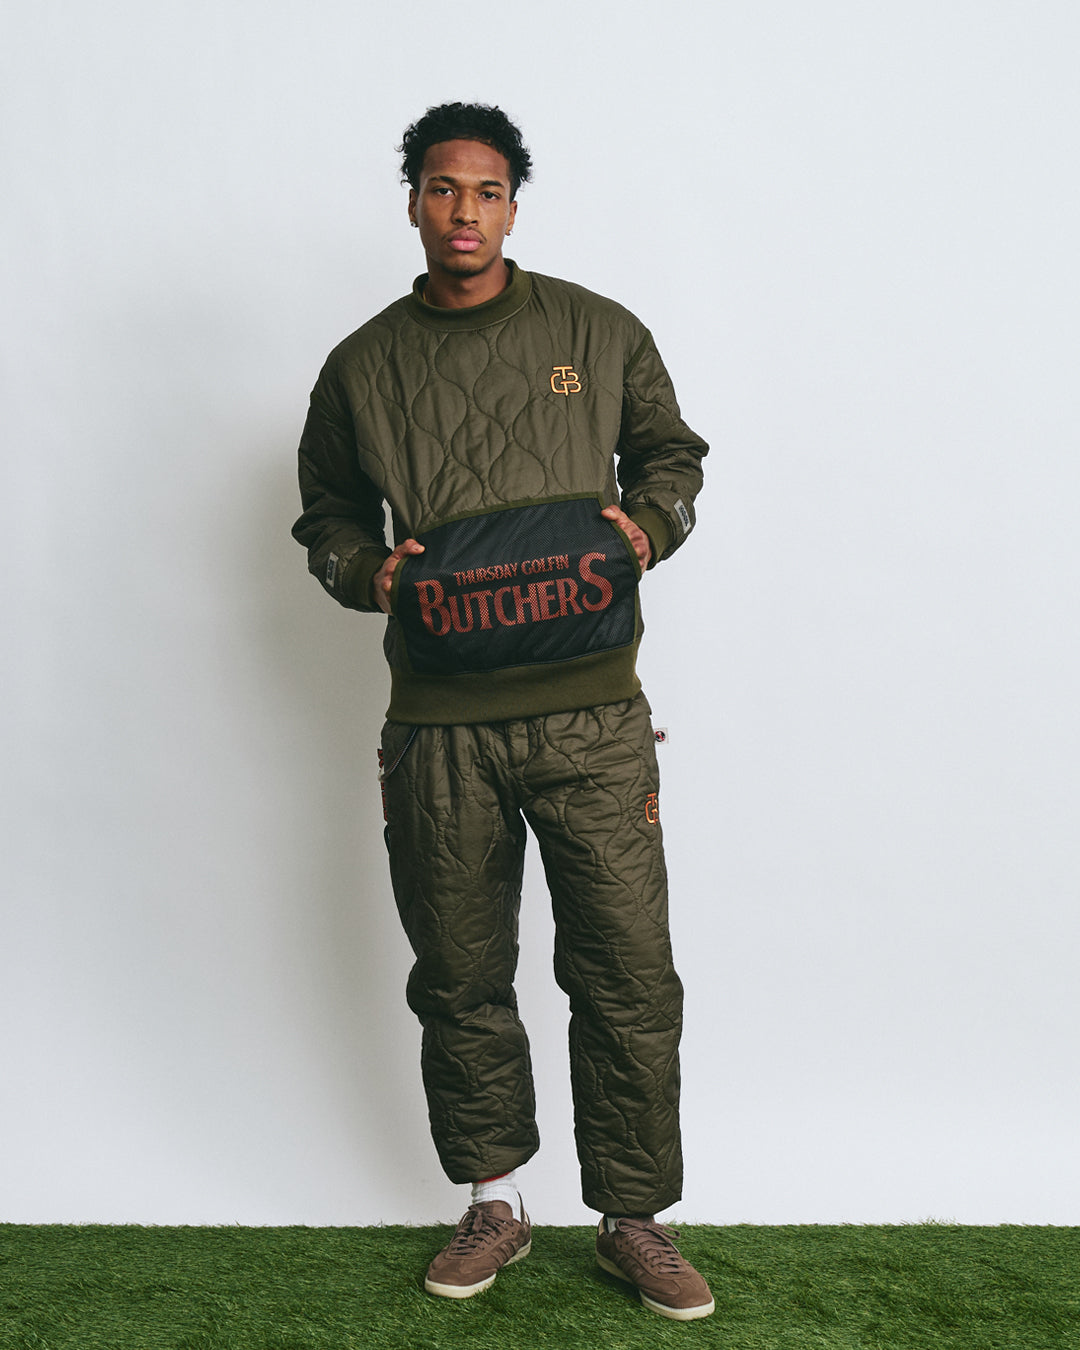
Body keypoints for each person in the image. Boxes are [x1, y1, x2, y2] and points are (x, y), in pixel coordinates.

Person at [292, 102, 712, 1321]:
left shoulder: (597, 330)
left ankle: (634, 1221)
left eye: (485, 190)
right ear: (413, 204)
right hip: (438, 728)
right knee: (461, 972)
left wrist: (650, 526)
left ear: (513, 207)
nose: (463, 210)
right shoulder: (362, 365)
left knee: (627, 971)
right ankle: (494, 1201)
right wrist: (366, 572)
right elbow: (326, 513)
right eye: (442, 188)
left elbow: (672, 456)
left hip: (594, 717)